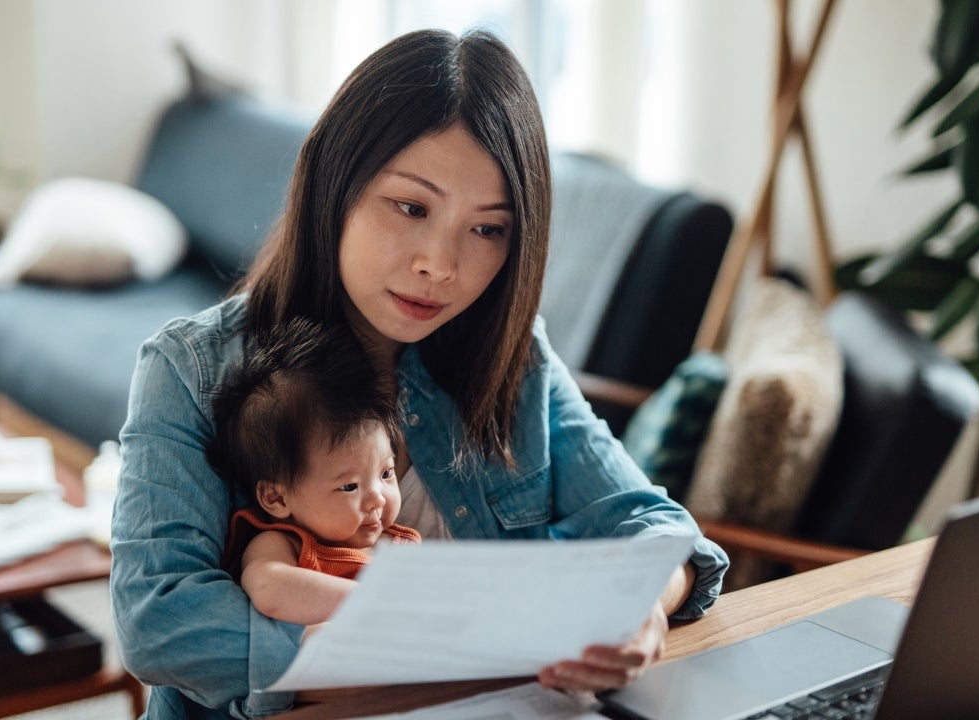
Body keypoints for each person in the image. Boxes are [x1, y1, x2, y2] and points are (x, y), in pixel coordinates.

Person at [111, 28, 729, 719]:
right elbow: (159, 620)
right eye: (411, 208)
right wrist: (422, 663)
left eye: (488, 229)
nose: (442, 264)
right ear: (334, 185)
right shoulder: (190, 369)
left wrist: (643, 606)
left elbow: (651, 527)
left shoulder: (513, 355)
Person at [207, 316, 422, 627]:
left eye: (386, 473)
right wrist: (377, 603)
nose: (378, 498)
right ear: (276, 498)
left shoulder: (394, 544)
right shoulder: (284, 544)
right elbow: (270, 589)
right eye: (350, 487)